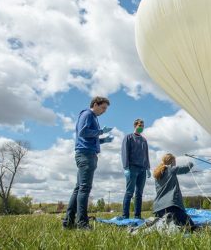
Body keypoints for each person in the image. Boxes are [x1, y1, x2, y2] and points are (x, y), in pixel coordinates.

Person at [63, 96, 113, 230]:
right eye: (103, 108)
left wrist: (103, 140)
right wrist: (101, 131)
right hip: (86, 155)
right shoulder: (87, 114)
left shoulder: (93, 118)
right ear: (95, 104)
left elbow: (91, 138)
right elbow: (83, 132)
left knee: (79, 189)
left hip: (87, 153)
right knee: (84, 189)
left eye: (105, 109)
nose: (104, 111)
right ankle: (82, 223)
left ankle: (68, 223)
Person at [153, 153, 195, 229]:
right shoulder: (171, 168)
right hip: (171, 207)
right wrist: (191, 162)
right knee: (191, 226)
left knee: (167, 227)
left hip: (158, 210)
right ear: (172, 161)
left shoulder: (157, 173)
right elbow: (186, 168)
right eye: (175, 162)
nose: (175, 164)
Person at [121, 118, 150, 219]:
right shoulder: (128, 137)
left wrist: (148, 168)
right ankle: (125, 216)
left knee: (139, 193)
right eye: (139, 126)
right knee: (129, 192)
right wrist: (126, 167)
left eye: (142, 126)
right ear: (135, 126)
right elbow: (125, 152)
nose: (141, 127)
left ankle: (137, 216)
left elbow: (146, 154)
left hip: (142, 169)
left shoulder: (144, 140)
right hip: (132, 168)